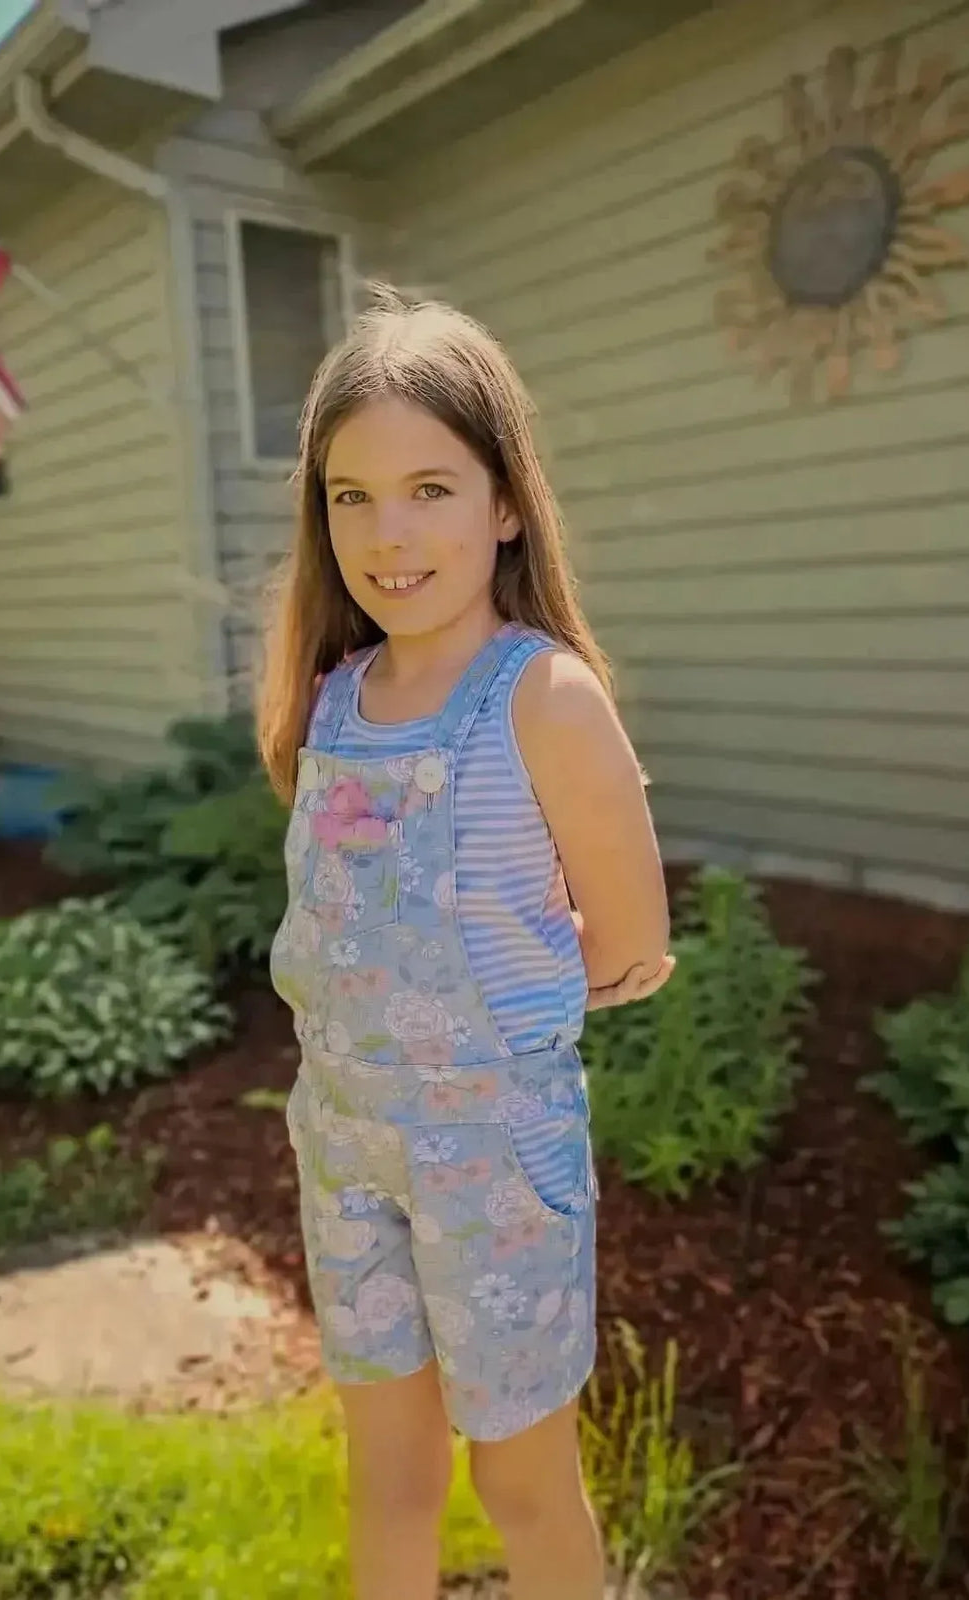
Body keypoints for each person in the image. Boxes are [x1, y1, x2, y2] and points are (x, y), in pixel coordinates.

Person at [259, 283, 674, 1600]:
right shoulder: (333, 699)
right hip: (345, 1143)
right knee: (387, 1470)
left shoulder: (542, 700)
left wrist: (493, 1035)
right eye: (352, 495)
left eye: (432, 488)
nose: (389, 532)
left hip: (492, 1155)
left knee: (519, 1479)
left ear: (506, 504)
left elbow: (629, 945)